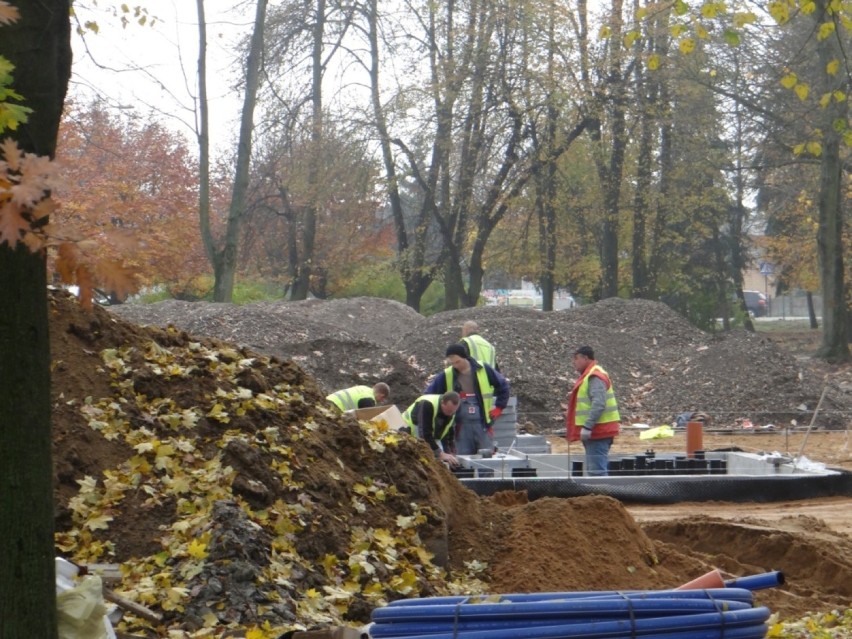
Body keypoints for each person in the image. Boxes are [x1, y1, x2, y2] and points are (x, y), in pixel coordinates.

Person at [425, 343, 510, 455]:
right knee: (461, 463)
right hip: (459, 428)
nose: (455, 366)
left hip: (483, 425)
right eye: (452, 363)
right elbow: (428, 396)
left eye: (458, 362)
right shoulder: (447, 375)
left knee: (486, 462)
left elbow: (503, 385)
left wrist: (499, 407)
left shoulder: (483, 369)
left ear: (465, 357)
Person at [565, 346, 621, 476]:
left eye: (576, 358)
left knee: (597, 473)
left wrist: (587, 426)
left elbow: (599, 403)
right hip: (596, 432)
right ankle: (601, 495)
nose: (574, 362)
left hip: (598, 432)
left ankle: (602, 495)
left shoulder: (594, 376)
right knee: (596, 470)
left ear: (585, 358)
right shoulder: (590, 375)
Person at [401, 392, 461, 466]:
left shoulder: (451, 411)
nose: (450, 414)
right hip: (407, 431)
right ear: (442, 402)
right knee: (420, 460)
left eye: (453, 412)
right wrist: (440, 454)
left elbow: (448, 436)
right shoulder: (427, 404)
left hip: (426, 435)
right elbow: (424, 434)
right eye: (449, 411)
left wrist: (451, 454)